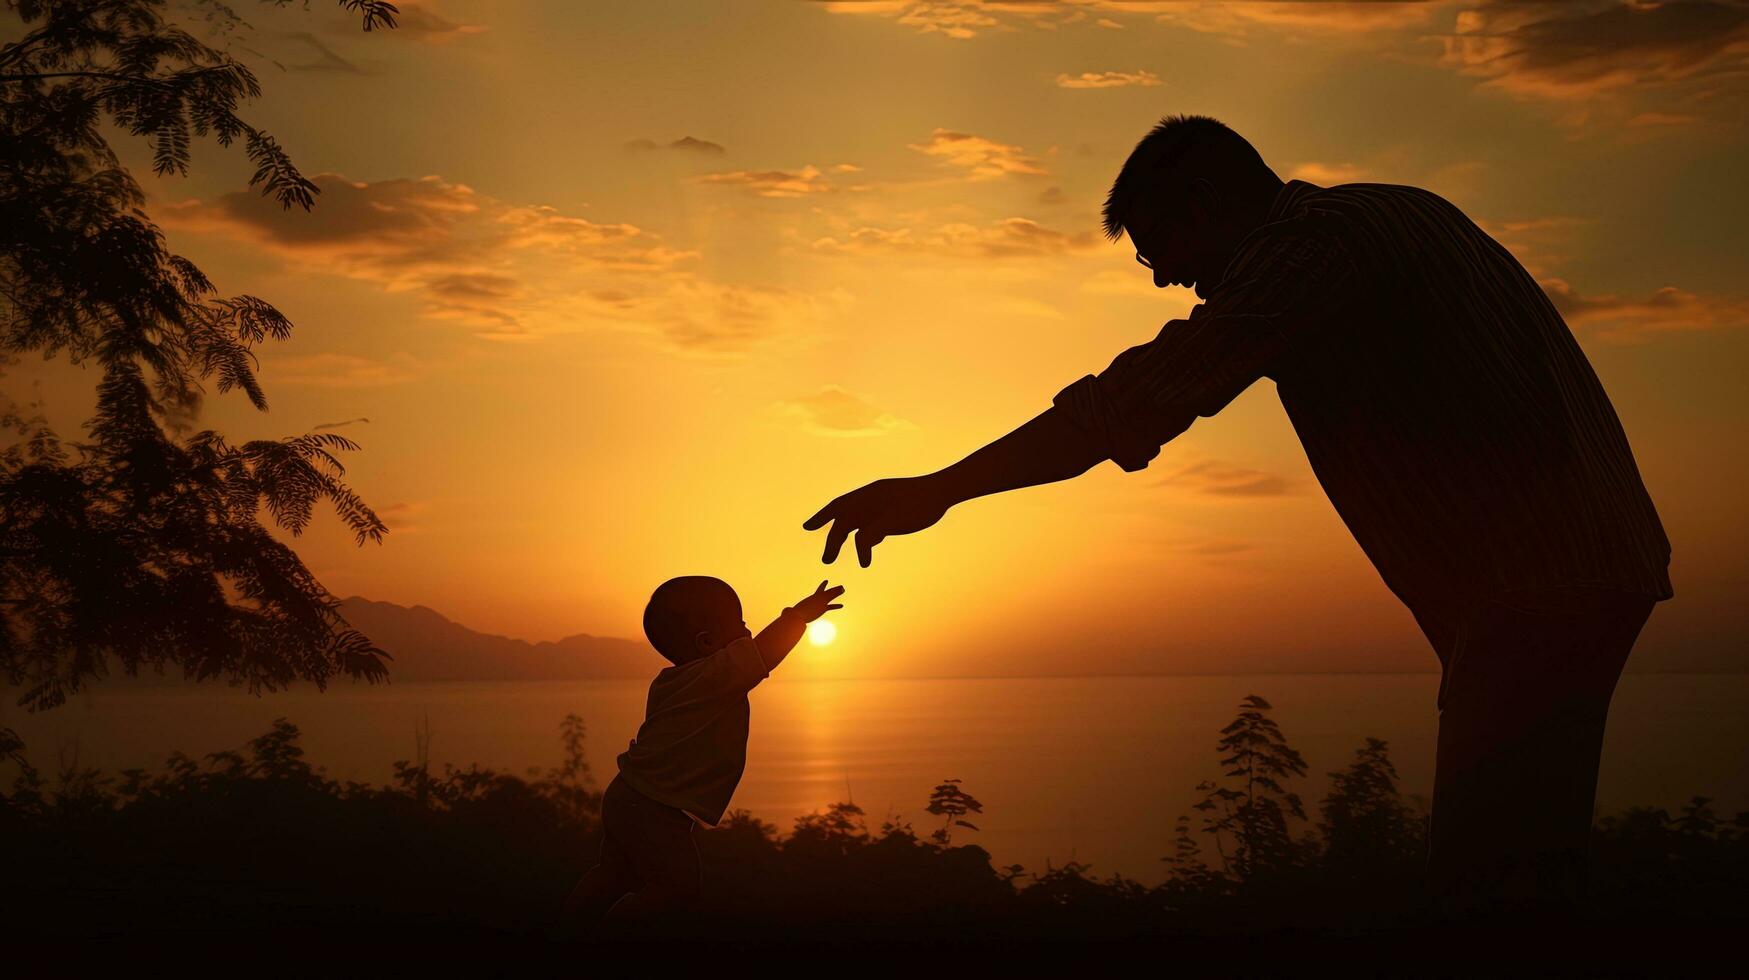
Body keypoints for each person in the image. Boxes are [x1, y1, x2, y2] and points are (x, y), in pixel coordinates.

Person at [802, 115, 1671, 912]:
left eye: (1159, 250)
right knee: (1536, 864)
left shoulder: (1310, 248)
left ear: (1207, 203)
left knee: (1485, 885)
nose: (1169, 279)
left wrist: (938, 490)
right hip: (1581, 557)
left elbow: (1141, 397)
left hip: (1535, 579)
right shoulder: (1395, 212)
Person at [560, 577, 845, 929]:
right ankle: (613, 939)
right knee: (678, 888)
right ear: (707, 643)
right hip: (654, 808)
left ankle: (568, 931)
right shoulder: (714, 676)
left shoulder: (670, 682)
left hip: (628, 796)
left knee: (613, 873)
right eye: (741, 626)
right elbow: (765, 652)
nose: (748, 632)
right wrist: (798, 617)